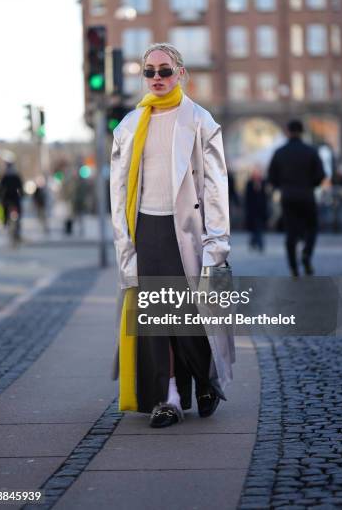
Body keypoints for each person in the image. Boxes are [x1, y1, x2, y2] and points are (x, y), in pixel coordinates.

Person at [110, 42, 234, 428]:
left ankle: (205, 381)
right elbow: (118, 191)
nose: (157, 78)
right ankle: (168, 399)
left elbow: (215, 186)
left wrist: (218, 242)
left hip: (190, 232)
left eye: (165, 70)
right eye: (150, 71)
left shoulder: (200, 120)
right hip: (148, 228)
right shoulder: (130, 125)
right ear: (143, 76)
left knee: (190, 317)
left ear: (180, 72)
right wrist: (124, 244)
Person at [268, 119, 325, 276]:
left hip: (288, 197)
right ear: (302, 131)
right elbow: (321, 175)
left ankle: (293, 267)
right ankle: (306, 254)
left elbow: (271, 177)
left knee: (291, 233)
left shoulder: (280, 152)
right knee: (312, 228)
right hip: (307, 196)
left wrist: (283, 186)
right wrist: (311, 184)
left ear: (288, 131)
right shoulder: (311, 151)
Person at [245, 166, 268, 252]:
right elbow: (248, 197)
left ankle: (255, 242)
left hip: (261, 209)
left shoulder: (264, 182)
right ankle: (259, 243)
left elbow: (265, 196)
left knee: (259, 227)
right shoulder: (250, 183)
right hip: (252, 209)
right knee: (255, 227)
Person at [0, 162, 24, 228]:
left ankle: (5, 223)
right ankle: (17, 222)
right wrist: (22, 194)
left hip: (7, 198)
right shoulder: (16, 176)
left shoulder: (5, 177)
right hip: (15, 197)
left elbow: (1, 187)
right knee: (18, 210)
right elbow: (20, 187)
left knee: (5, 210)